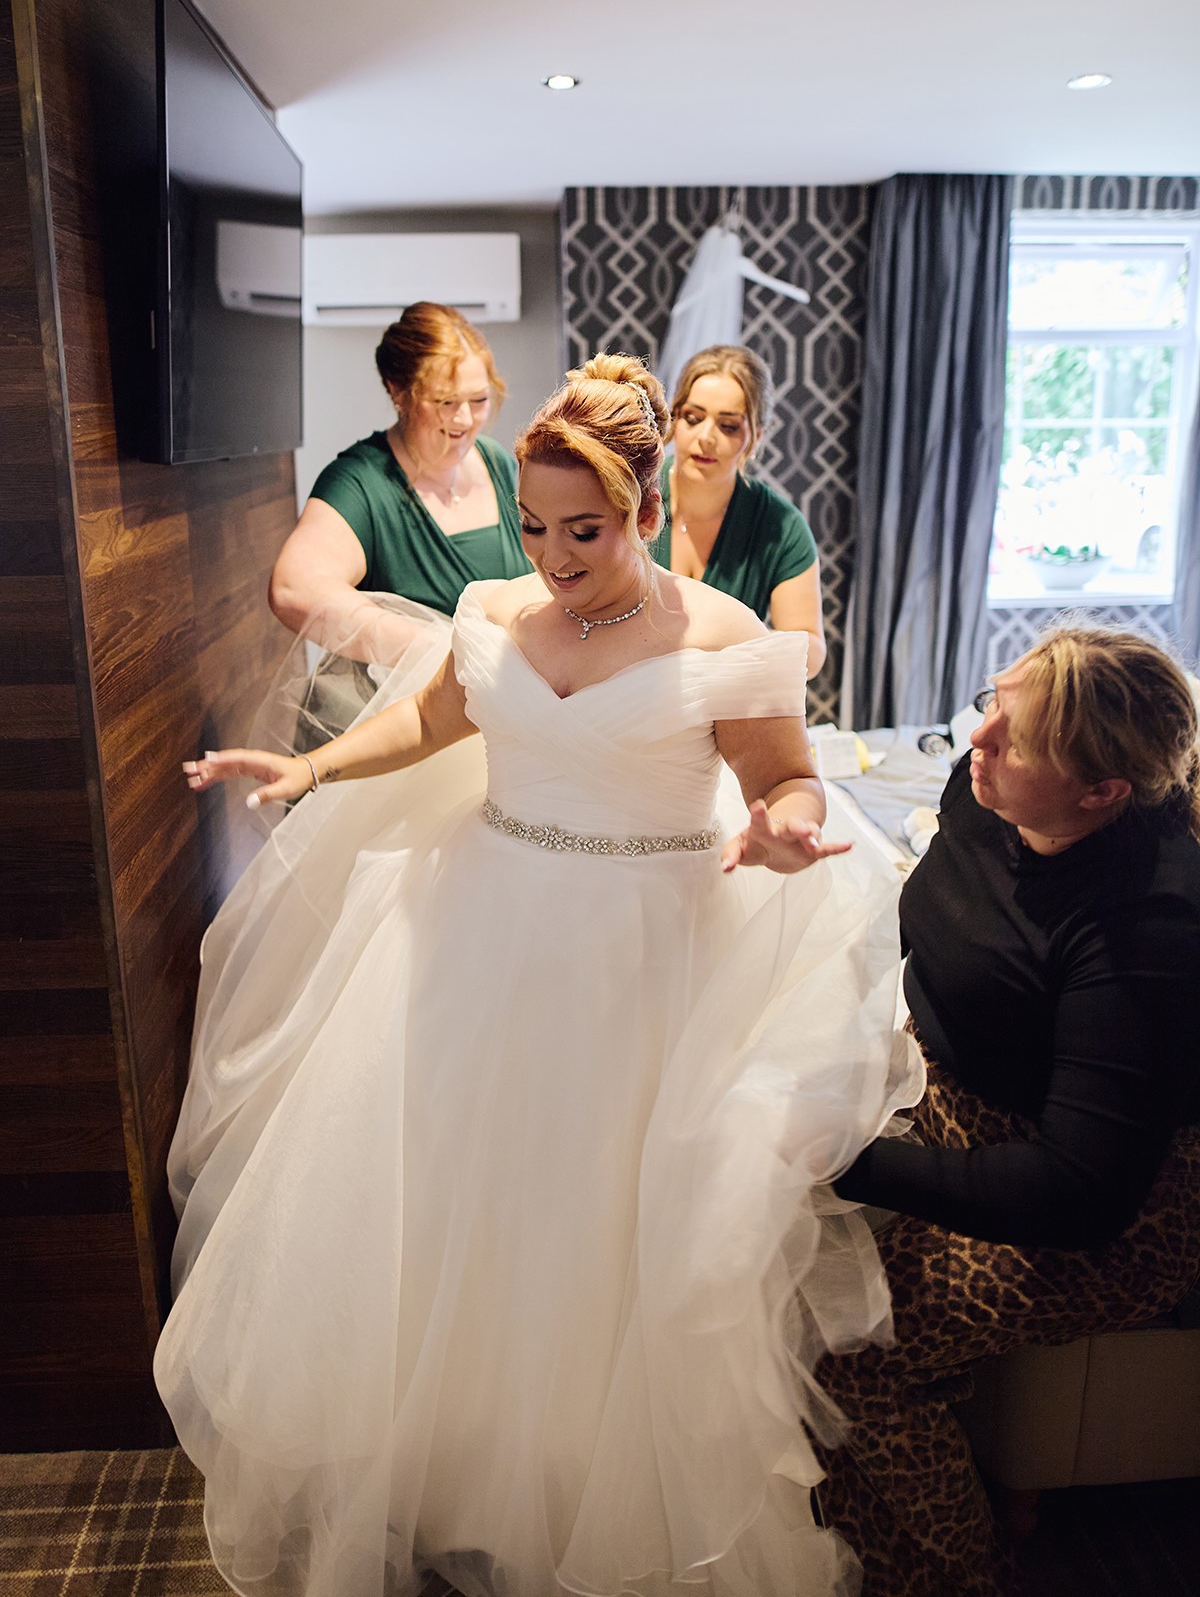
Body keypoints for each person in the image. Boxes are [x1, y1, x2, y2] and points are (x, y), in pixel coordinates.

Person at [156, 355, 924, 1597]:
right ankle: (455, 1472)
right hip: (481, 926)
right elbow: (441, 721)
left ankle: (584, 1499)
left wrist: (783, 824)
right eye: (535, 526)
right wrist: (321, 767)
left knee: (602, 1235)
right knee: (456, 1210)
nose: (556, 556)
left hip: (646, 956)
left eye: (588, 529)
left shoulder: (722, 639)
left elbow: (786, 777)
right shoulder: (497, 609)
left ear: (649, 507)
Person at [820, 625, 1200, 1597]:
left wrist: (845, 1158)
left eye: (1014, 738)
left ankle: (953, 1567)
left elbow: (1079, 1192)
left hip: (1119, 1205)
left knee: (842, 1338)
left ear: (1101, 793)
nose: (975, 740)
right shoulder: (985, 796)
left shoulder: (1145, 931)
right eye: (992, 707)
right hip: (958, 1094)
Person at [270, 301, 528, 666]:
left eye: (479, 399)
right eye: (445, 401)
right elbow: (292, 589)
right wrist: (445, 655)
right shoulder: (360, 482)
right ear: (397, 392)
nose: (465, 419)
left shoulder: (498, 462)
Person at [651, 345, 827, 671]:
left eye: (728, 426)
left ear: (756, 437)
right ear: (674, 420)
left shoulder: (780, 526)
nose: (706, 437)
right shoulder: (630, 498)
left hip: (728, 705)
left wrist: (742, 644)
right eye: (693, 418)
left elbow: (811, 650)